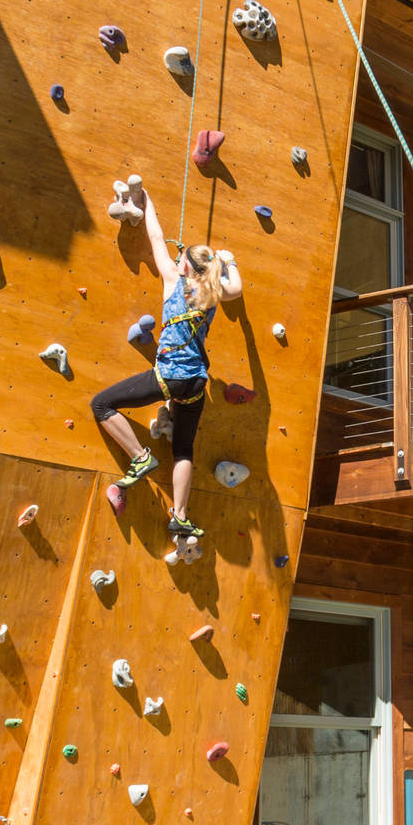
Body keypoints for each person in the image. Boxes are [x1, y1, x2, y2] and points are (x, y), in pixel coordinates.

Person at [89, 175, 242, 550]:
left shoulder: (174, 281)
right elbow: (236, 288)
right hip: (195, 385)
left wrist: (148, 200)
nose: (176, 261)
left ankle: (139, 457)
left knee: (101, 404)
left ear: (185, 266)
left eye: (181, 259)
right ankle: (180, 516)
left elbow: (156, 237)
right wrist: (228, 262)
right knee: (184, 449)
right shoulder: (214, 292)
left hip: (170, 377)